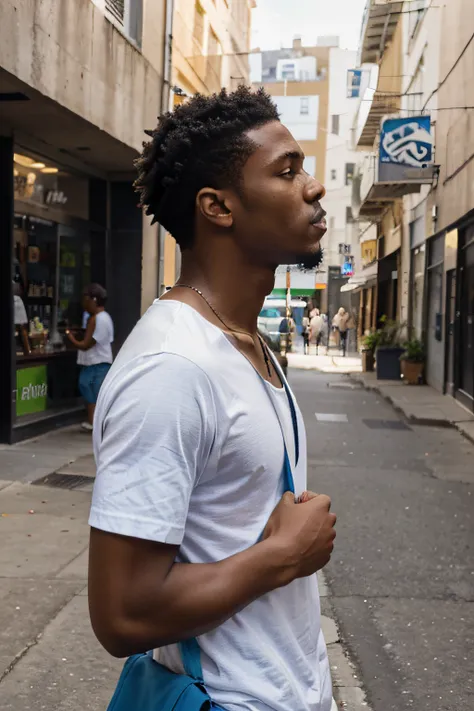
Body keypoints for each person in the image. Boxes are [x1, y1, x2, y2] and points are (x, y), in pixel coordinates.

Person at [88, 87, 336, 711]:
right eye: (288, 170)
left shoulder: (246, 340)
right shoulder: (172, 369)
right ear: (217, 207)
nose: (314, 187)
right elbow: (122, 615)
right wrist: (281, 556)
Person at [66, 283, 114, 431]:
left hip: (96, 363)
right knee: (94, 392)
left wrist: (70, 337)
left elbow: (86, 344)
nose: (83, 303)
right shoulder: (104, 317)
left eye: (85, 299)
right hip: (100, 362)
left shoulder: (97, 319)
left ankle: (94, 423)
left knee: (91, 391)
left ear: (94, 300)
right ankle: (95, 423)